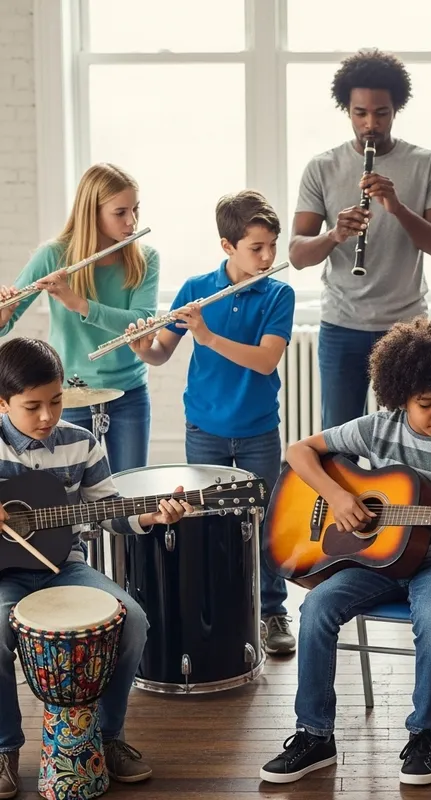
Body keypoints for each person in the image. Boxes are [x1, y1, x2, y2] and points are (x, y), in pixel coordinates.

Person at [259, 318, 431, 786]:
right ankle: (314, 734)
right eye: (425, 404)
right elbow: (299, 451)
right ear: (399, 395)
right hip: (378, 561)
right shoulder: (379, 429)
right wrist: (338, 497)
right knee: (316, 606)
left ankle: (424, 735)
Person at [0, 338, 192, 798]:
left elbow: (109, 510)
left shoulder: (81, 443)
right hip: (5, 574)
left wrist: (152, 515)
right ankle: (4, 749)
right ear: (3, 402)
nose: (47, 416)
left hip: (63, 567)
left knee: (133, 622)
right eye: (32, 407)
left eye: (56, 401)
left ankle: (107, 738)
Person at [126, 190, 297, 656]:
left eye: (272, 246)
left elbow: (265, 361)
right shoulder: (195, 289)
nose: (267, 256)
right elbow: (160, 353)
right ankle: (223, 608)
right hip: (204, 427)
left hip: (259, 427)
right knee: (209, 520)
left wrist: (207, 335)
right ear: (227, 246)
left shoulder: (279, 293)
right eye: (255, 247)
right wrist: (142, 348)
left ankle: (272, 611)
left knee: (262, 520)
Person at [289, 48, 431, 429]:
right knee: (340, 437)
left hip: (406, 328)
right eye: (360, 113)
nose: (370, 124)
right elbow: (297, 254)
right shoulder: (322, 167)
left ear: (396, 109)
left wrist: (396, 207)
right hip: (341, 325)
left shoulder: (426, 163)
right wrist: (334, 235)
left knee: (407, 438)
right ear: (346, 109)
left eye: (381, 113)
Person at [0, 163, 159, 474]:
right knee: (67, 490)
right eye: (120, 212)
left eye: (136, 209)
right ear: (92, 212)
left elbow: (140, 321)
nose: (132, 221)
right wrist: (4, 314)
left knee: (130, 486)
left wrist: (78, 302)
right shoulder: (52, 255)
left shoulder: (145, 258)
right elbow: (9, 319)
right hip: (69, 393)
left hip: (129, 390)